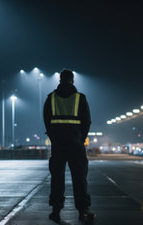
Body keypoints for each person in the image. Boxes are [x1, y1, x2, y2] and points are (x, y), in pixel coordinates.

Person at [43, 69, 95, 223]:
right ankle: (83, 211)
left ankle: (56, 210)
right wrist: (80, 138)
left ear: (60, 80)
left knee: (57, 177)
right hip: (76, 145)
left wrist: (54, 137)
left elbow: (47, 120)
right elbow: (87, 121)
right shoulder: (81, 98)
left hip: (58, 145)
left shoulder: (51, 98)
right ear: (72, 80)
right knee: (79, 177)